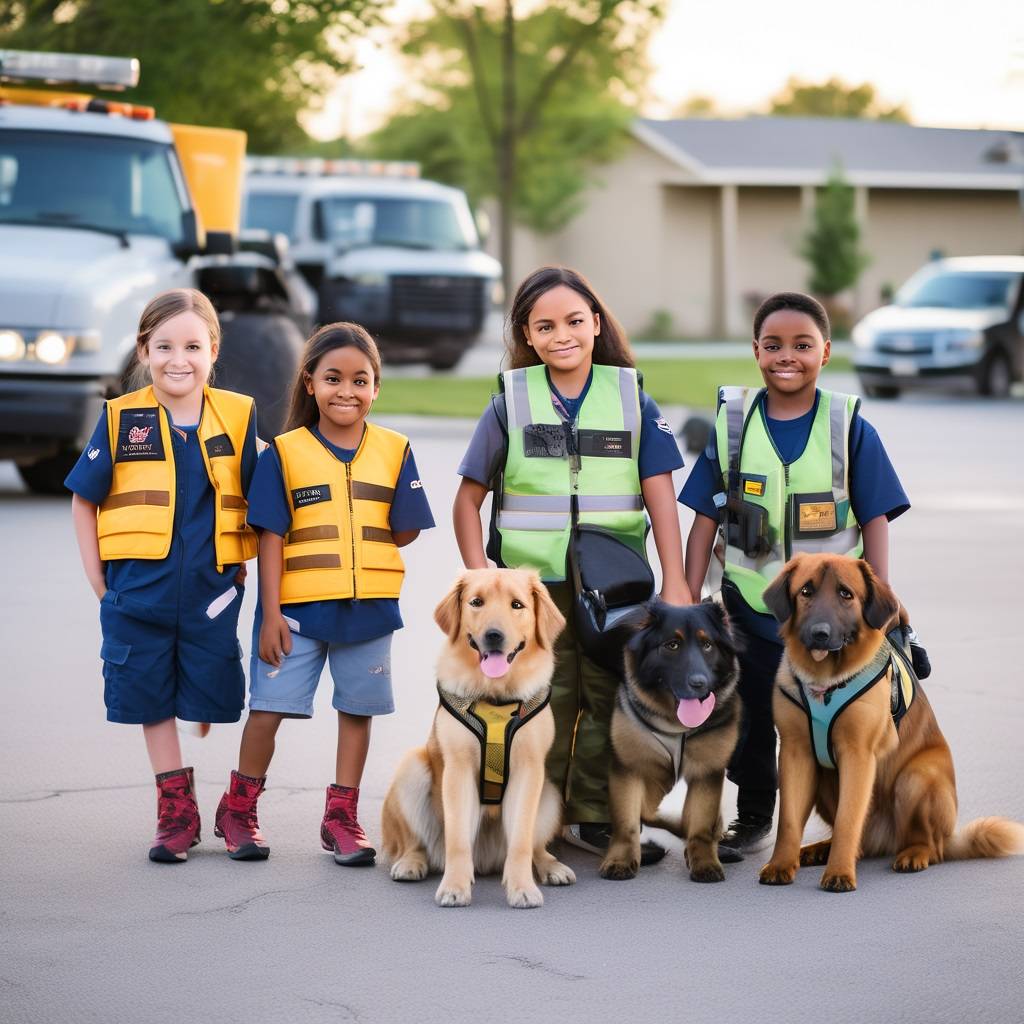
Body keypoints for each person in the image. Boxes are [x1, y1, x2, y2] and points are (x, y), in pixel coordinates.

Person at [453, 266, 692, 863]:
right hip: (532, 597)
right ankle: (532, 820)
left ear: (596, 323)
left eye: (575, 321)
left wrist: (678, 580)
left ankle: (593, 819)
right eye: (546, 325)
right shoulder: (511, 400)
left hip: (618, 591)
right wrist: (483, 583)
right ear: (527, 336)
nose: (563, 334)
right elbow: (466, 500)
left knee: (613, 701)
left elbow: (661, 496)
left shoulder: (631, 396)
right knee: (543, 702)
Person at [680, 291, 910, 862]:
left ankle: (858, 818)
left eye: (803, 345)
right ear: (756, 351)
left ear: (826, 352)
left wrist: (879, 600)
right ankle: (756, 812)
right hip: (751, 612)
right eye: (774, 345)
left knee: (837, 723)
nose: (789, 356)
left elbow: (876, 518)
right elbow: (704, 519)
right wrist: (685, 594)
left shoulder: (850, 426)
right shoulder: (733, 426)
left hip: (835, 625)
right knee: (749, 716)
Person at [216, 323, 434, 866]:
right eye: (333, 378)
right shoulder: (285, 454)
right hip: (296, 613)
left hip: (370, 611)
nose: (347, 391)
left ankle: (341, 818)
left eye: (361, 380)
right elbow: (271, 537)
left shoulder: (395, 449)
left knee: (356, 713)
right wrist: (270, 616)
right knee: (268, 710)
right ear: (309, 383)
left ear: (376, 388)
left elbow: (406, 529)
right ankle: (238, 810)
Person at [66, 288, 258, 863]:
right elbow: (83, 501)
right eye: (165, 346)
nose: (180, 359)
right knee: (150, 698)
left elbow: (264, 495)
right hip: (137, 596)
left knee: (217, 696)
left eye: (193, 346)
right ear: (144, 350)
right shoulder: (122, 419)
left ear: (213, 350)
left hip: (211, 596)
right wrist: (102, 587)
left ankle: (228, 791)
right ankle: (176, 812)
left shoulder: (239, 416)